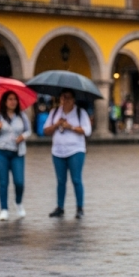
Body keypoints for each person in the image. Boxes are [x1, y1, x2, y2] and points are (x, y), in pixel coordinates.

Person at [44, 90, 92, 219]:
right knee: (60, 181)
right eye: (63, 97)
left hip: (76, 150)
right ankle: (60, 207)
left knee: (76, 179)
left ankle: (79, 208)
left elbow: (87, 131)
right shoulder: (54, 112)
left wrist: (71, 127)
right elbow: (46, 130)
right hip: (57, 151)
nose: (65, 100)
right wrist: (56, 125)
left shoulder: (80, 113)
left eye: (68, 98)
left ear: (73, 100)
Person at [0, 91, 31, 221]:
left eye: (15, 99)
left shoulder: (21, 116)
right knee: (3, 182)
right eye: (10, 99)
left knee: (19, 182)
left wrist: (23, 136)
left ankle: (18, 202)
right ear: (5, 101)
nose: (13, 102)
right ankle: (4, 209)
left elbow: (28, 130)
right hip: (0, 152)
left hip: (17, 153)